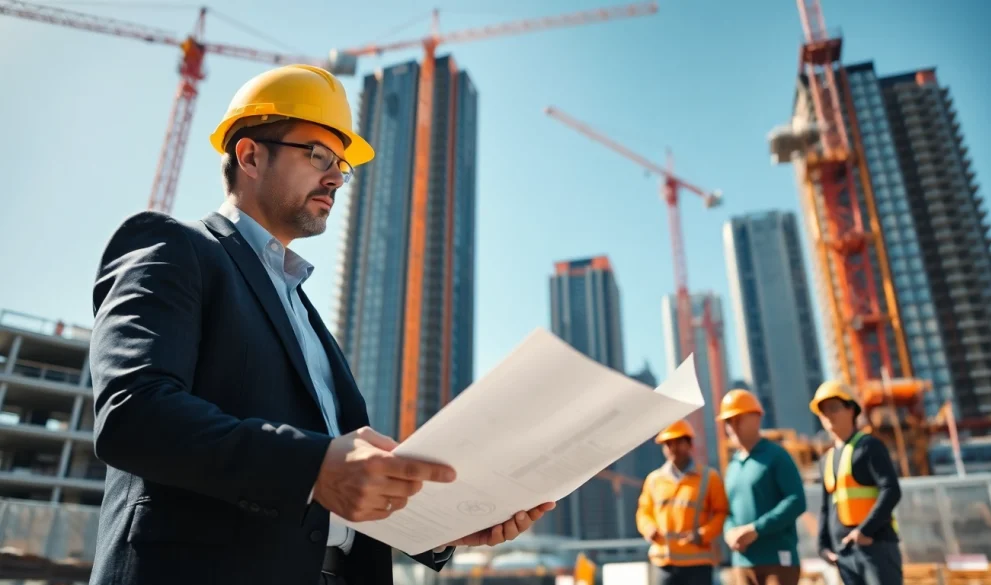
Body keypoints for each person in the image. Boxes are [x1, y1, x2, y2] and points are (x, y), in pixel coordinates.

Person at [87, 64, 554, 585]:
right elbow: (134, 414)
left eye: (342, 166)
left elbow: (336, 492)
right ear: (249, 155)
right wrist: (311, 466)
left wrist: (438, 528)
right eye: (317, 156)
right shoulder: (172, 247)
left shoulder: (304, 314)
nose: (335, 177)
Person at [810, 381, 903, 585]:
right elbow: (827, 507)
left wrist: (864, 531)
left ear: (851, 409)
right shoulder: (827, 459)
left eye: (834, 408)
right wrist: (823, 546)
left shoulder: (869, 446)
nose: (828, 415)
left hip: (875, 546)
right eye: (823, 411)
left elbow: (891, 490)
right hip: (843, 553)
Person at [718, 389, 806, 585]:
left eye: (737, 418)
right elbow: (728, 511)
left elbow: (796, 500)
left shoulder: (777, 456)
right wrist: (729, 532)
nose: (732, 426)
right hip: (743, 563)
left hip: (778, 560)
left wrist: (756, 529)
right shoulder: (732, 467)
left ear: (757, 418)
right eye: (728, 421)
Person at [637, 419, 729, 585]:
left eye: (678, 442)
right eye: (668, 443)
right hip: (663, 563)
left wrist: (703, 534)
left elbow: (721, 512)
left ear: (690, 444)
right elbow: (644, 511)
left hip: (697, 564)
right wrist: (648, 528)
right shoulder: (654, 480)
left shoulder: (709, 478)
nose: (673, 448)